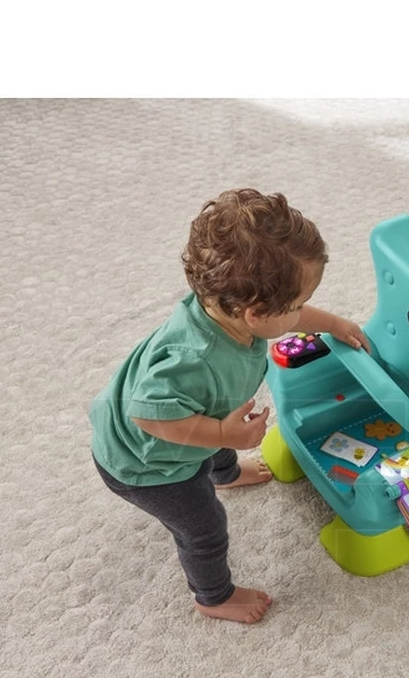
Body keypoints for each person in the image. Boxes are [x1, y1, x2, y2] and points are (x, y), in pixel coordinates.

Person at [89, 189, 369, 625]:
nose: (300, 313)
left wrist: (333, 324)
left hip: (201, 414)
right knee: (204, 528)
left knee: (222, 419)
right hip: (148, 465)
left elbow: (286, 317)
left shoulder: (231, 309)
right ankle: (213, 596)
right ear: (255, 314)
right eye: (296, 306)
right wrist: (222, 434)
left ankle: (226, 472)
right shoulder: (194, 359)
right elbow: (147, 413)